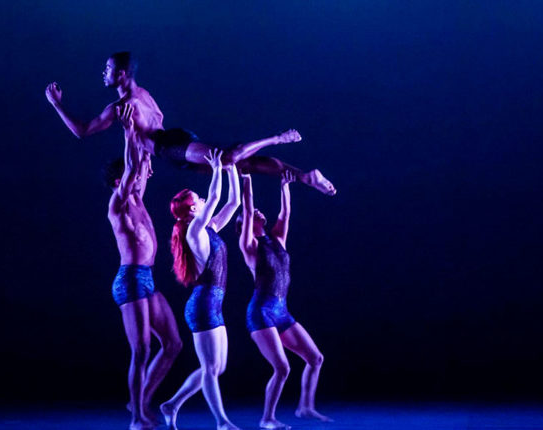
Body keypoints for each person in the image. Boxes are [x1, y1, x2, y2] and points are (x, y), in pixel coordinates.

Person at [45, 51, 336, 195]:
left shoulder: (122, 106)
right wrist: (146, 158)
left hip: (171, 146)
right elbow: (148, 131)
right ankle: (304, 177)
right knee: (240, 166)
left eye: (108, 69)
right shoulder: (144, 95)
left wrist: (57, 104)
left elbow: (82, 131)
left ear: (121, 74)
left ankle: (277, 138)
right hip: (172, 146)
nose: (103, 73)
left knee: (227, 158)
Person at [107, 104, 183, 430]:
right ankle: (137, 417)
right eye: (132, 177)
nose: (139, 179)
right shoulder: (119, 204)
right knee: (141, 349)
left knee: (173, 344)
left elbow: (141, 163)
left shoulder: (138, 199)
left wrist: (143, 134)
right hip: (130, 281)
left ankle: (139, 400)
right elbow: (131, 168)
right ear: (119, 181)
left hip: (147, 279)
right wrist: (127, 133)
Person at [237, 172, 332, 429]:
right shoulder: (250, 246)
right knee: (282, 368)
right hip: (261, 312)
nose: (257, 212)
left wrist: (285, 186)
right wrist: (247, 181)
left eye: (258, 211)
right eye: (251, 214)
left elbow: (285, 214)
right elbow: (248, 209)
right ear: (246, 223)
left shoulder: (277, 239)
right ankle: (267, 418)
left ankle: (305, 407)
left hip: (281, 311)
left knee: (315, 358)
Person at [160, 148, 242, 430]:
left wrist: (232, 168)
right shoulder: (194, 231)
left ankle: (171, 404)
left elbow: (233, 202)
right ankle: (222, 422)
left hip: (213, 304)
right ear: (193, 210)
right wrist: (217, 169)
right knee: (210, 369)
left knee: (218, 367)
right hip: (203, 305)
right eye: (199, 199)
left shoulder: (210, 228)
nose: (204, 200)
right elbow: (216, 197)